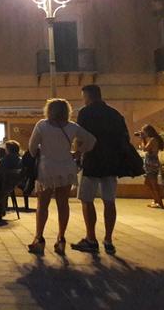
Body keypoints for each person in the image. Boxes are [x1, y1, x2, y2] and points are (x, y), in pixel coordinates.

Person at [28, 99, 96, 255]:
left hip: (47, 170)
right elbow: (92, 140)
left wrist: (40, 151)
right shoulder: (72, 127)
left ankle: (39, 238)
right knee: (63, 204)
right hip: (66, 169)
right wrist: (78, 152)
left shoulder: (42, 125)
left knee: (42, 205)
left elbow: (32, 148)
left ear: (49, 110)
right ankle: (61, 238)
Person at [72, 84, 129, 255]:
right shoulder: (114, 113)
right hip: (111, 162)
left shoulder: (85, 112)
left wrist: (77, 153)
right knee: (109, 201)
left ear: (88, 96)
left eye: (84, 96)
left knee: (87, 200)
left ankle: (91, 238)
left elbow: (80, 136)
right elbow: (124, 137)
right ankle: (109, 240)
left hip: (92, 160)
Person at [139, 124, 164, 209]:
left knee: (153, 184)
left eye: (144, 132)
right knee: (147, 182)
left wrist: (143, 139)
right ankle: (156, 200)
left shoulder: (153, 140)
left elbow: (145, 149)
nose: (143, 133)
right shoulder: (154, 139)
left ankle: (160, 203)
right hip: (151, 163)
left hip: (151, 163)